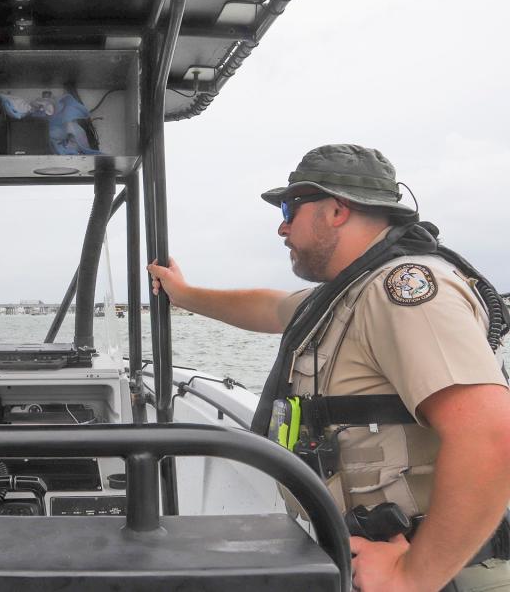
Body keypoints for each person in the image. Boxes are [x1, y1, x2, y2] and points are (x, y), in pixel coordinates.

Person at [147, 144, 510, 591]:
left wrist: (413, 577)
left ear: (336, 210)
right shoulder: (347, 294)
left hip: (438, 573)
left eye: (289, 209)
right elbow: (274, 307)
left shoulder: (403, 292)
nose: (282, 227)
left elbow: (490, 436)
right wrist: (185, 295)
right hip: (374, 559)